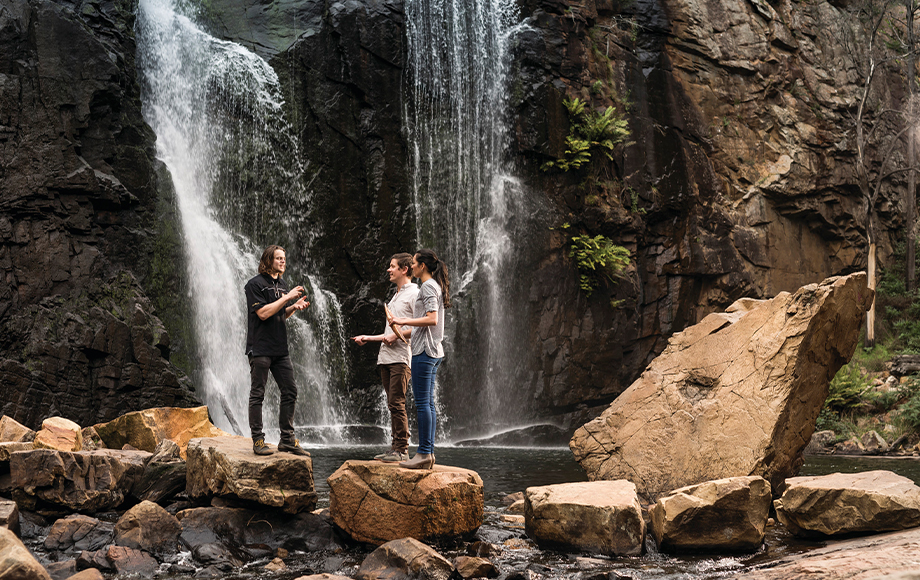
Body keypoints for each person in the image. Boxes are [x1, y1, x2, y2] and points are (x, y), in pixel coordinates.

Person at [351, 253, 419, 463]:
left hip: (400, 357)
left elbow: (421, 326)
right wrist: (368, 338)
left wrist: (395, 335)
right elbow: (390, 333)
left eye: (392, 267)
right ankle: (394, 448)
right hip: (386, 357)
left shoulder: (414, 294)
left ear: (404, 269)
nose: (389, 270)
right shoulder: (396, 295)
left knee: (397, 403)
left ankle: (402, 449)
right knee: (392, 403)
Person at [244, 245, 310, 456]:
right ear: (268, 260)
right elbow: (263, 313)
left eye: (284, 258)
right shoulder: (254, 284)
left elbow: (279, 314)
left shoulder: (282, 285)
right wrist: (287, 298)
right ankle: (258, 441)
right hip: (260, 348)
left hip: (280, 349)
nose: (283, 261)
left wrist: (292, 307)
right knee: (258, 394)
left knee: (290, 391)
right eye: (278, 258)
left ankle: (287, 440)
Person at [390, 248, 451, 469]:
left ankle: (424, 452)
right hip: (433, 350)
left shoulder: (427, 287)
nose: (412, 266)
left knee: (423, 403)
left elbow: (432, 319)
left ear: (422, 266)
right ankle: (428, 453)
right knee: (429, 404)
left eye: (414, 264)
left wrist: (403, 320)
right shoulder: (434, 286)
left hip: (424, 351)